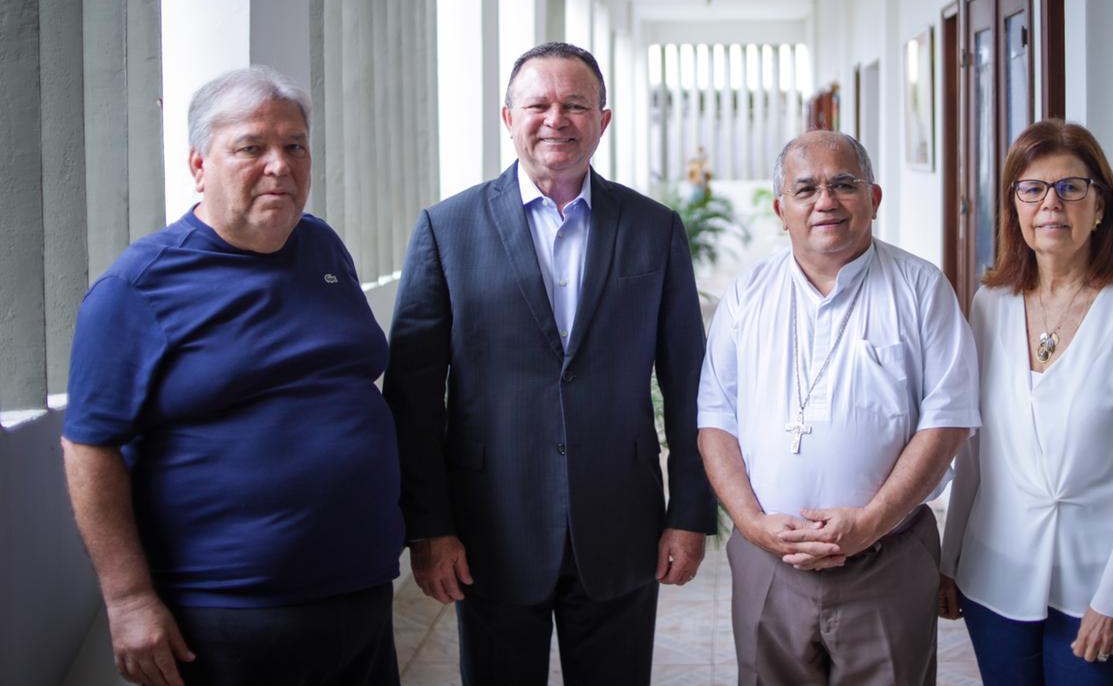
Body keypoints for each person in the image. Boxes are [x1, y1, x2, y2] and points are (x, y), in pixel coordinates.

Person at [383, 42, 718, 685]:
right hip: (489, 529)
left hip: (622, 523)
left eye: (575, 104)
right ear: (508, 118)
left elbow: (689, 384)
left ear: (603, 119)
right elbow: (414, 397)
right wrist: (429, 526)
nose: (556, 119)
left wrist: (690, 513)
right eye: (538, 104)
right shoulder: (445, 229)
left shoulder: (654, 229)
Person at [62, 66, 404, 686]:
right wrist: (129, 599)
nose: (280, 164)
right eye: (252, 147)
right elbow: (89, 445)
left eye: (295, 145)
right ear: (199, 165)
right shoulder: (138, 288)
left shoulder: (323, 248)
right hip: (226, 613)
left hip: (359, 590)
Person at [697, 130, 979, 685]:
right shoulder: (748, 294)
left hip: (888, 560)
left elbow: (946, 422)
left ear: (873, 199)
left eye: (843, 185)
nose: (825, 201)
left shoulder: (921, 288)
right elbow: (716, 419)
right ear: (782, 209)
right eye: (806, 189)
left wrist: (870, 524)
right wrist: (753, 525)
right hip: (768, 562)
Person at [938, 120, 1113, 685]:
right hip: (996, 573)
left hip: (1103, 584)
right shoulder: (990, 304)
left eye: (1071, 188)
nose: (1051, 204)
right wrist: (950, 562)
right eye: (1032, 189)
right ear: (1015, 208)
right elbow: (972, 452)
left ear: (1099, 205)